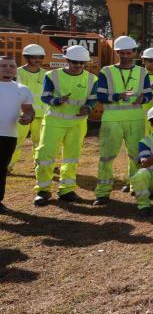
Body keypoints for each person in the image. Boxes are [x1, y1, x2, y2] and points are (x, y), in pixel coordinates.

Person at [33, 45, 97, 206]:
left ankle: (67, 189)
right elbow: (45, 97)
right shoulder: (52, 76)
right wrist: (57, 100)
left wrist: (88, 107)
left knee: (71, 157)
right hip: (54, 122)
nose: (79, 66)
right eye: (75, 62)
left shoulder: (92, 79)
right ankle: (43, 190)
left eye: (82, 63)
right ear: (67, 60)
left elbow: (93, 98)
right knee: (45, 155)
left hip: (77, 123)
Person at [94, 35, 153, 204]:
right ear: (117, 53)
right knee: (106, 157)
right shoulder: (106, 71)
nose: (126, 56)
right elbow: (101, 96)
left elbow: (148, 94)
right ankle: (103, 192)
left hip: (136, 119)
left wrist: (143, 99)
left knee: (136, 156)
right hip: (111, 120)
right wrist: (118, 96)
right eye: (122, 53)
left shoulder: (142, 72)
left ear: (135, 52)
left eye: (129, 52)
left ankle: (136, 186)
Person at [1, 56, 35, 212]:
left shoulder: (23, 89)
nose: (8, 69)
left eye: (12, 66)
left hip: (9, 135)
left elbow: (29, 110)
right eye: (3, 65)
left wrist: (27, 117)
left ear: (16, 70)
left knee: (1, 169)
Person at [9, 44, 46, 170]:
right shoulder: (17, 73)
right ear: (26, 57)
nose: (37, 60)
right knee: (16, 141)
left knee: (39, 142)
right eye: (34, 57)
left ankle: (40, 165)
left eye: (40, 57)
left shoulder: (46, 75)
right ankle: (8, 165)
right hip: (21, 114)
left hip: (41, 115)